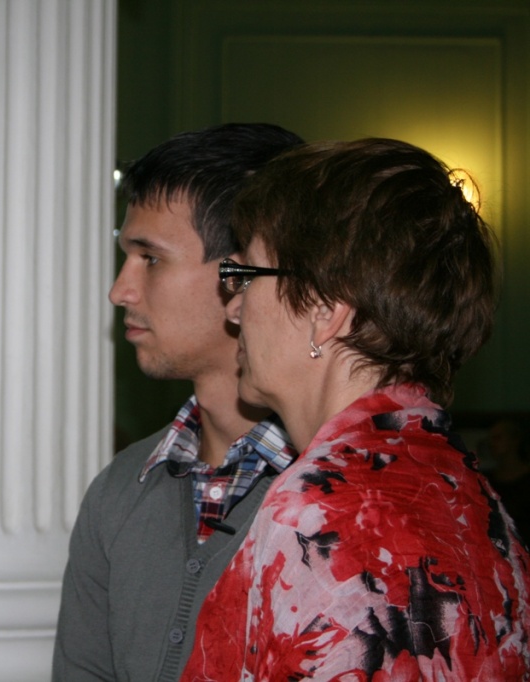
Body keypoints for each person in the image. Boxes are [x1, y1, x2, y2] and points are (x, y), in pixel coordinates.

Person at [182, 138, 530, 680]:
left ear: (324, 309)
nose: (233, 308)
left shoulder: (316, 518)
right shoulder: (478, 506)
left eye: (247, 276)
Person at [52, 123, 303, 682]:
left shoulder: (348, 494)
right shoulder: (120, 490)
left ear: (245, 271)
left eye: (150, 258)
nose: (120, 290)